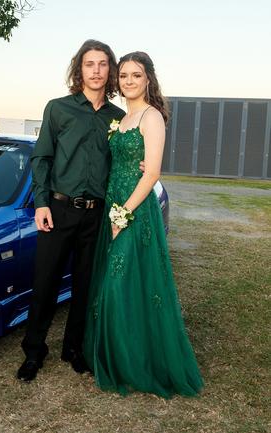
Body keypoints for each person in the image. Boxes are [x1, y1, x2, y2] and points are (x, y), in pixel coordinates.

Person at [82, 52, 203, 398]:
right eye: (123, 75)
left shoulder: (151, 117)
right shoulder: (122, 118)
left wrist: (124, 214)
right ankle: (117, 358)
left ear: (148, 78)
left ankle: (135, 362)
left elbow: (152, 173)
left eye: (136, 75)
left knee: (120, 285)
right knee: (117, 282)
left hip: (133, 210)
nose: (129, 81)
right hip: (113, 204)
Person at [17, 40, 126, 382]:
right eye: (89, 64)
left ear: (110, 71)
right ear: (79, 69)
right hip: (59, 211)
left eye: (103, 64)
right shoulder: (59, 109)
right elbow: (41, 157)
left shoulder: (118, 118)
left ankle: (74, 348)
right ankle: (34, 352)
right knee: (45, 284)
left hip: (97, 215)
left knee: (86, 285)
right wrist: (42, 203)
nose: (96, 70)